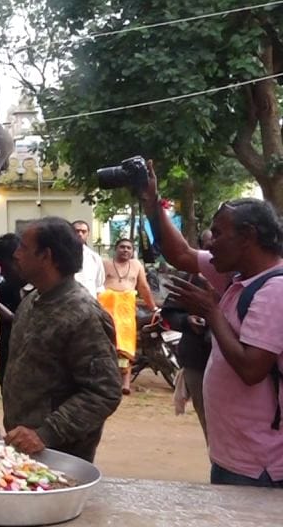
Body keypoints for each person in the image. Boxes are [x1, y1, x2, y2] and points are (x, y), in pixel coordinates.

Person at [142, 161, 283, 487]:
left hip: (258, 464)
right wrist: (151, 202)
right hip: (235, 455)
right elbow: (180, 253)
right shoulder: (237, 274)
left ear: (247, 237)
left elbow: (251, 370)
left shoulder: (274, 290)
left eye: (218, 233)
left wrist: (212, 312)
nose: (210, 243)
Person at [3, 217, 123, 462]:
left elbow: (104, 392)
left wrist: (45, 434)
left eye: (23, 247)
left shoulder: (84, 315)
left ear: (46, 256)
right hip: (24, 449)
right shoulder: (31, 301)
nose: (16, 254)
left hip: (59, 455)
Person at [165, 229, 214, 439]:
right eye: (209, 246)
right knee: (209, 424)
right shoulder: (191, 279)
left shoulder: (244, 278)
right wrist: (187, 321)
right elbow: (169, 313)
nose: (214, 249)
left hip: (234, 366)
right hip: (197, 361)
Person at [100, 237, 158, 395]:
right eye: (122, 247)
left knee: (126, 346)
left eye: (128, 248)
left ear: (132, 251)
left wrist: (153, 307)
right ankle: (107, 380)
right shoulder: (104, 264)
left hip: (126, 313)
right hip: (106, 310)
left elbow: (144, 287)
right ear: (115, 249)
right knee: (106, 345)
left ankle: (125, 382)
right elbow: (96, 285)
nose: (125, 250)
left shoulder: (136, 265)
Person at [0, 233, 29, 388]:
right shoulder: (6, 288)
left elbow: (26, 323)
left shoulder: (40, 289)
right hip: (7, 366)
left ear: (19, 260)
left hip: (31, 370)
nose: (3, 273)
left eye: (6, 267)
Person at [72, 220, 106, 298]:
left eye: (83, 231)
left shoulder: (94, 257)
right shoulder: (60, 255)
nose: (80, 234)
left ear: (88, 234)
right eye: (77, 231)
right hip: (67, 302)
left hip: (89, 301)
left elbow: (99, 285)